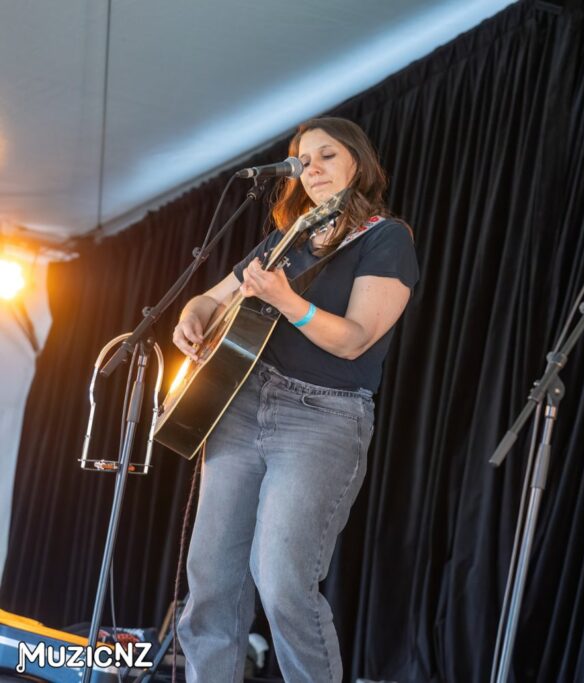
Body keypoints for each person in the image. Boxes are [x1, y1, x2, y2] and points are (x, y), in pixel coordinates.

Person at [172, 117, 419, 682]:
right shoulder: (287, 239)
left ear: (358, 162)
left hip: (322, 417)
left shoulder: (387, 237)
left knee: (282, 579)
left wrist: (286, 300)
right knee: (211, 579)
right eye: (302, 160)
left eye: (327, 156)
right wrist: (193, 318)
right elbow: (210, 300)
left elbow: (355, 338)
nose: (312, 170)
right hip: (239, 409)